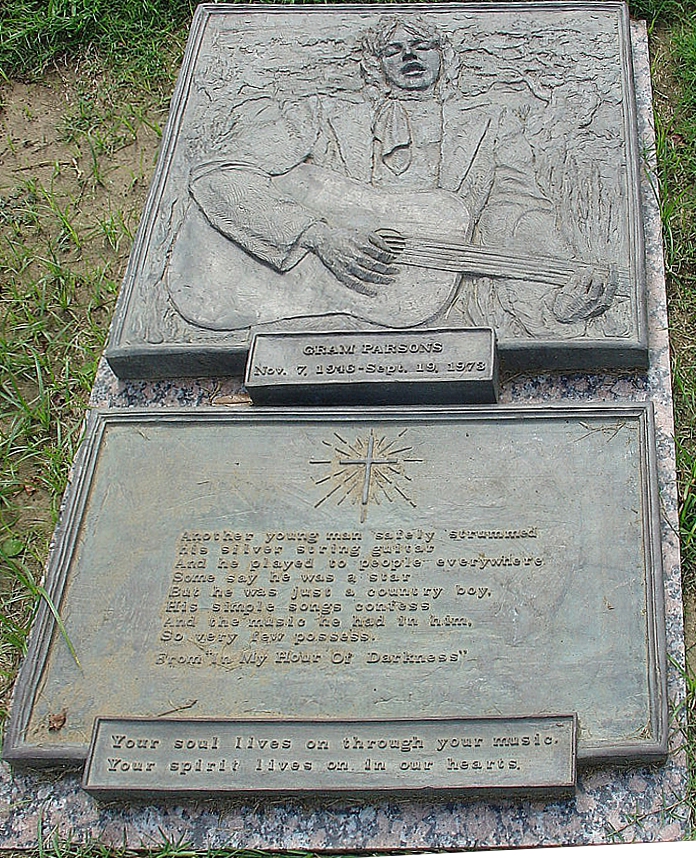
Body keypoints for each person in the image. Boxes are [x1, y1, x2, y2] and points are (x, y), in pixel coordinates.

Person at [166, 17, 617, 336]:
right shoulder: (319, 115)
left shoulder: (491, 126)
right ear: (375, 64)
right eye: (393, 50)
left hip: (426, 307)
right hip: (305, 307)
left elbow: (518, 212)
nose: (409, 57)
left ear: (446, 56)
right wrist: (314, 234)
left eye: (422, 46)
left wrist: (556, 289)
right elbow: (216, 172)